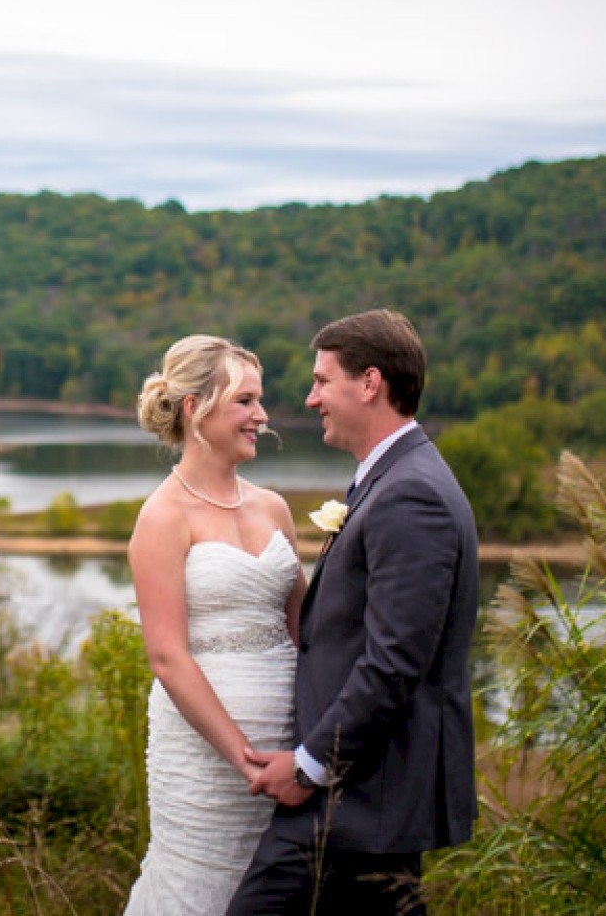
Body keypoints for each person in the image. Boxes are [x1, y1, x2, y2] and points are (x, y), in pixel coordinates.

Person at [228, 309, 479, 916]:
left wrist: (309, 766)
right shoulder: (386, 480)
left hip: (362, 800)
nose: (311, 398)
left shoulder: (411, 495)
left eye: (322, 381)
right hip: (360, 798)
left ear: (370, 383)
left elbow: (393, 663)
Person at [122, 336, 307, 916]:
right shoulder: (162, 516)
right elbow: (168, 658)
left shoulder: (273, 507)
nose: (261, 416)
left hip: (289, 751)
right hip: (208, 759)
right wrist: (244, 758)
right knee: (198, 887)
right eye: (245, 401)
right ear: (194, 407)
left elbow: (304, 627)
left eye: (260, 401)